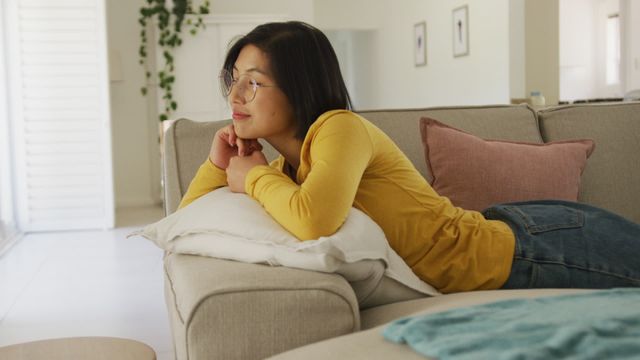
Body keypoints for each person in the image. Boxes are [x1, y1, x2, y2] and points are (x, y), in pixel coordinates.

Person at [178, 21, 640, 294]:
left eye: (253, 82)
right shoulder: (288, 172)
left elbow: (314, 219)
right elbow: (188, 224)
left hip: (529, 248)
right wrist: (217, 166)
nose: (235, 94)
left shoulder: (338, 128)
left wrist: (252, 175)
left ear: (299, 89)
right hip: (516, 233)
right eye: (234, 78)